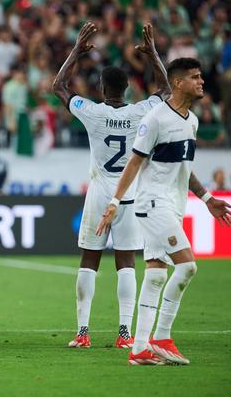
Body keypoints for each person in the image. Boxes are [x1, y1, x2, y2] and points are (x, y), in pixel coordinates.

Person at [96, 57, 231, 365]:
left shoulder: (192, 121)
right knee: (187, 267)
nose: (202, 82)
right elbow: (134, 162)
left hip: (174, 204)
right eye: (195, 77)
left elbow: (186, 167)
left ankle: (140, 348)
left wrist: (207, 198)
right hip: (152, 203)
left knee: (156, 274)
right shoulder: (155, 119)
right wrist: (115, 203)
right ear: (179, 82)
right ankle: (162, 336)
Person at [52, 22, 170, 349]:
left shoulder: (91, 112)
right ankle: (124, 334)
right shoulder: (141, 113)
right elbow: (166, 91)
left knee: (89, 260)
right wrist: (153, 54)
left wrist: (76, 49)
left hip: (100, 194)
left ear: (102, 88)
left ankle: (83, 332)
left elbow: (58, 85)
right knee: (127, 263)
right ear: (128, 88)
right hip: (130, 195)